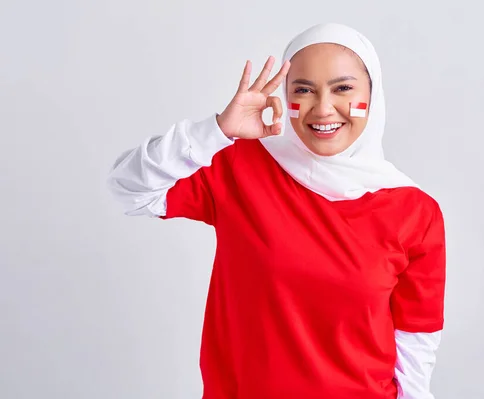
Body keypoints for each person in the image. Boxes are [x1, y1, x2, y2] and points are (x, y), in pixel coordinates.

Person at [107, 23, 446, 399]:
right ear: (285, 95)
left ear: (373, 93)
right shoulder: (239, 167)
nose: (323, 108)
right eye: (303, 90)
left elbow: (415, 339)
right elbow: (129, 188)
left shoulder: (415, 211)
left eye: (343, 88)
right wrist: (218, 131)